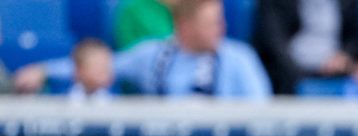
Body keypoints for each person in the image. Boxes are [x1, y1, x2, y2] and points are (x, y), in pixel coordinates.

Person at [13, 0, 272, 99]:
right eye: (211, 23)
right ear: (185, 27)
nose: (221, 28)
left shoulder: (240, 58)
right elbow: (100, 66)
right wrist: (43, 70)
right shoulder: (153, 54)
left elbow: (261, 113)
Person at [254, 0, 358, 97]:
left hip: (337, 67)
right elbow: (272, 42)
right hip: (290, 71)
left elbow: (354, 39)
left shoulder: (347, 2)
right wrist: (301, 72)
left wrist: (344, 57)